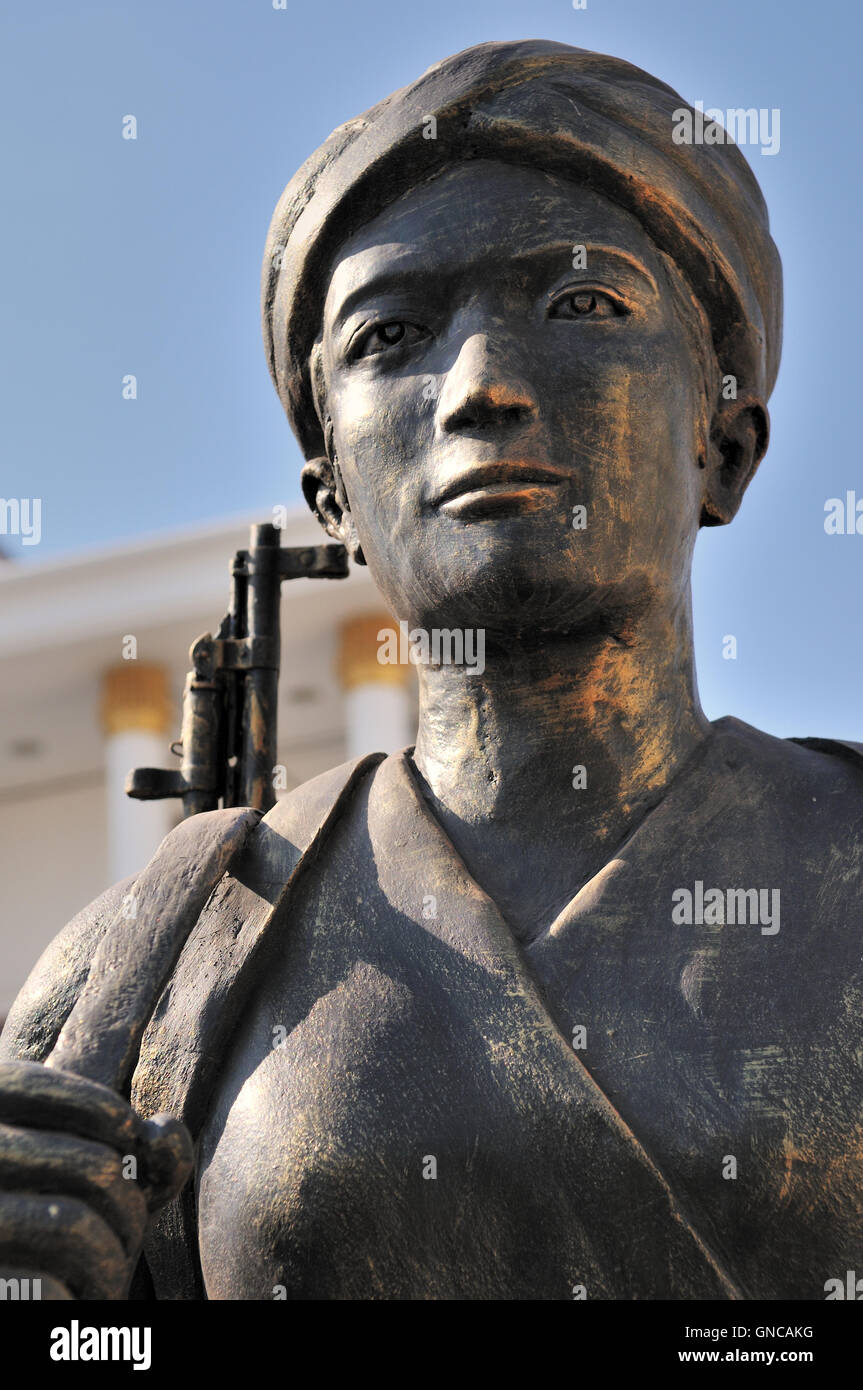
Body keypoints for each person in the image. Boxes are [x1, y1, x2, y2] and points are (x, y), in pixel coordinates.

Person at [1, 39, 861, 1301]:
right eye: (391, 334)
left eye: (580, 305)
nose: (481, 387)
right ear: (330, 495)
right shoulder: (166, 956)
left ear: (720, 442)